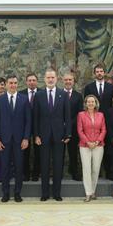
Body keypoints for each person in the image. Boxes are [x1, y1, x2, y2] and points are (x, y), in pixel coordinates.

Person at [34, 68, 71, 201]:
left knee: (58, 165)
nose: (50, 80)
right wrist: (36, 135)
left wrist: (68, 134)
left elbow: (67, 116)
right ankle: (44, 193)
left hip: (59, 136)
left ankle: (56, 193)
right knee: (44, 165)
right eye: (48, 77)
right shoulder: (39, 95)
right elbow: (35, 117)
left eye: (52, 78)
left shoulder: (63, 94)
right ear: (44, 79)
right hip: (43, 136)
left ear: (57, 79)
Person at [0, 75, 31, 203]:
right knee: (5, 168)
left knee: (19, 167)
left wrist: (26, 138)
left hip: (20, 141)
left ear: (17, 84)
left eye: (15, 83)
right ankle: (5, 193)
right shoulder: (0, 100)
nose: (13, 85)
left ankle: (17, 193)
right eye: (10, 83)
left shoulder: (24, 100)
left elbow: (28, 121)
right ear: (6, 84)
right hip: (4, 140)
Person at [84, 63, 113, 179]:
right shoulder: (89, 87)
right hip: (92, 123)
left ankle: (108, 172)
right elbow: (86, 105)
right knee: (92, 148)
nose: (99, 73)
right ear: (94, 73)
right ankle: (93, 175)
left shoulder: (111, 87)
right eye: (97, 71)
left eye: (101, 71)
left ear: (104, 73)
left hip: (107, 121)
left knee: (107, 148)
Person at [77, 95, 106, 202]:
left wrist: (97, 141)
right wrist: (88, 142)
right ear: (85, 103)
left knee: (95, 169)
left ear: (96, 103)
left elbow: (103, 130)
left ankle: (93, 191)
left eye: (92, 102)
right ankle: (88, 193)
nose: (90, 103)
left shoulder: (101, 115)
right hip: (85, 146)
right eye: (88, 102)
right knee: (87, 169)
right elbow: (80, 130)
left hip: (98, 145)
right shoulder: (81, 115)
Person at [19, 73, 41, 182]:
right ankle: (25, 174)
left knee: (38, 152)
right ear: (26, 82)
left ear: (37, 81)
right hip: (24, 127)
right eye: (29, 80)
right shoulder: (20, 94)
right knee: (25, 151)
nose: (31, 82)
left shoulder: (42, 93)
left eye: (33, 80)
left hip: (39, 127)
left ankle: (36, 174)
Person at [63, 71, 83, 181]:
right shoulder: (59, 94)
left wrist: (69, 123)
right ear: (63, 81)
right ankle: (59, 173)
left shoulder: (78, 96)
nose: (68, 82)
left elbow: (80, 113)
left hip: (74, 130)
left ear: (73, 81)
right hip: (60, 129)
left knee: (73, 152)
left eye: (70, 80)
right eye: (66, 80)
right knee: (59, 154)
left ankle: (75, 172)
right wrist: (62, 123)